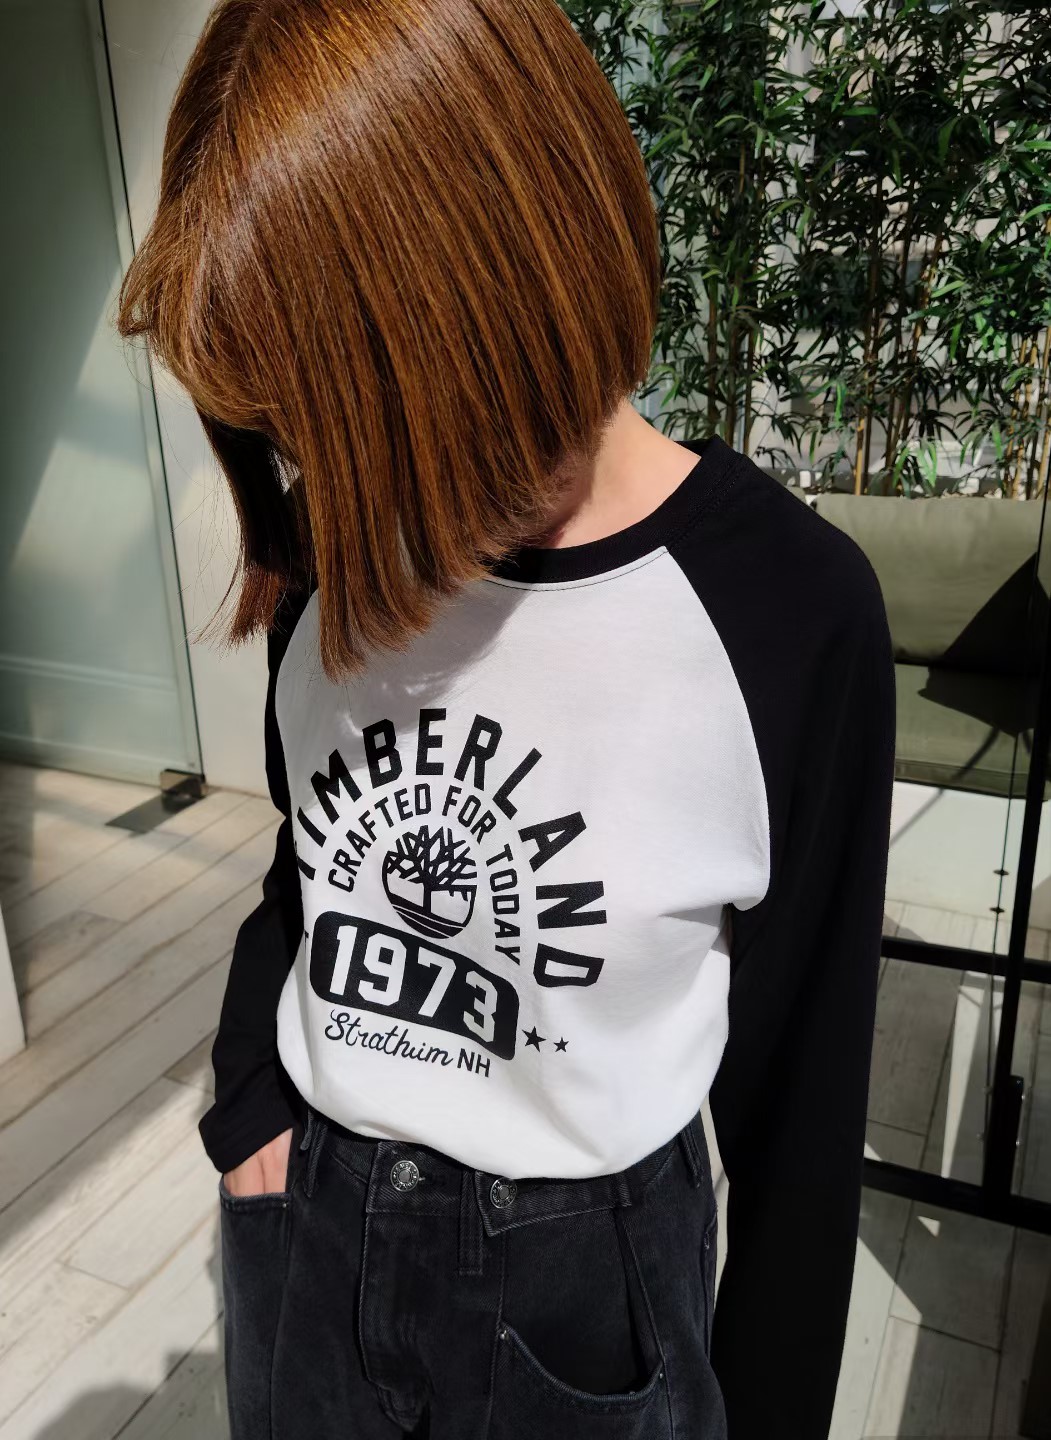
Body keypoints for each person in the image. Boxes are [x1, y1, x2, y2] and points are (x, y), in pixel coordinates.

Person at [116, 0, 896, 1436]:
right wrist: (249, 1097)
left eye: (357, 425)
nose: (332, 483)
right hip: (311, 1228)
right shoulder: (337, 557)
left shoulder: (786, 613)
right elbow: (311, 857)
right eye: (297, 436)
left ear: (518, 286)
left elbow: (803, 1114)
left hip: (588, 1283)